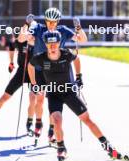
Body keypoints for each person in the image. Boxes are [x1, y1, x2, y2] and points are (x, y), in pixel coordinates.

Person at [28, 30, 129, 161]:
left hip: (69, 92)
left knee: (87, 120)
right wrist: (34, 84)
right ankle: (61, 148)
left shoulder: (66, 54)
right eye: (49, 43)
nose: (52, 46)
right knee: (57, 120)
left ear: (59, 43)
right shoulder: (40, 57)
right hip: (53, 94)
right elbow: (30, 65)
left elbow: (77, 59)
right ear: (46, 44)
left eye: (55, 43)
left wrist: (79, 77)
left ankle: (109, 148)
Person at [26, 8, 88, 143]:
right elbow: (25, 38)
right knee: (39, 99)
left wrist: (78, 27)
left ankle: (51, 130)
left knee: (52, 103)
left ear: (57, 22)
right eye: (49, 22)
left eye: (54, 22)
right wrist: (29, 25)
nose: (51, 25)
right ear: (45, 21)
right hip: (39, 70)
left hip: (56, 72)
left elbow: (82, 40)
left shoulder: (64, 30)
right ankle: (38, 123)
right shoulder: (39, 28)